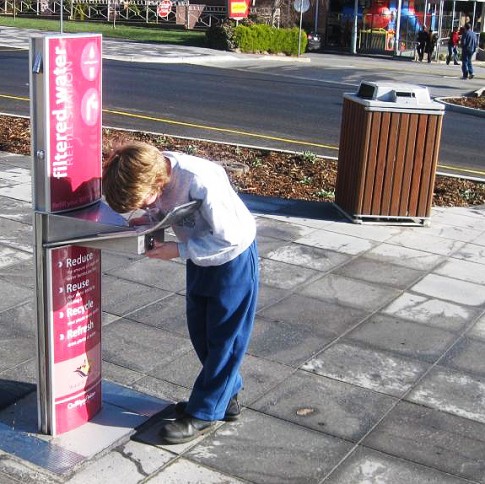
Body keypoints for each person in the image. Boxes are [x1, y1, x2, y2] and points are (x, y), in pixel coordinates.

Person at [102, 142, 259, 444]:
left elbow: (230, 238)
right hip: (202, 256)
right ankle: (225, 396)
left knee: (226, 337)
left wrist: (179, 249)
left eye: (144, 202)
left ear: (157, 181)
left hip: (232, 258)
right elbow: (164, 208)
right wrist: (148, 221)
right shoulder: (154, 177)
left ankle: (204, 413)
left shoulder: (199, 179)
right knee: (200, 330)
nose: (146, 207)